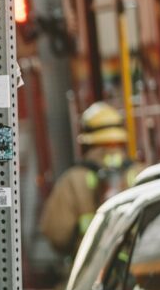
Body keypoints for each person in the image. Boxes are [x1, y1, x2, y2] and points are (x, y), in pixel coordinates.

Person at [40, 102, 142, 259]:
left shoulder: (72, 180)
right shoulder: (141, 172)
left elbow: (57, 235)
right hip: (140, 269)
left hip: (91, 272)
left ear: (87, 141)